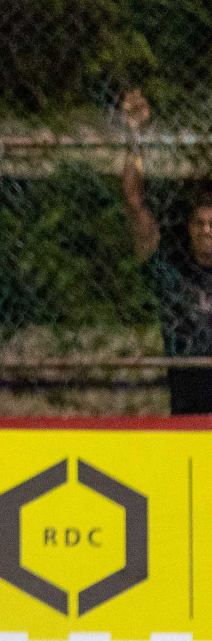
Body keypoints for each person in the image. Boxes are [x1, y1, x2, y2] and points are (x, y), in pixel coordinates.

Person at [122, 89, 212, 413]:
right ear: (190, 227)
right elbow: (134, 202)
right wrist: (136, 134)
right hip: (186, 413)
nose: (206, 230)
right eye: (200, 223)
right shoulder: (171, 273)